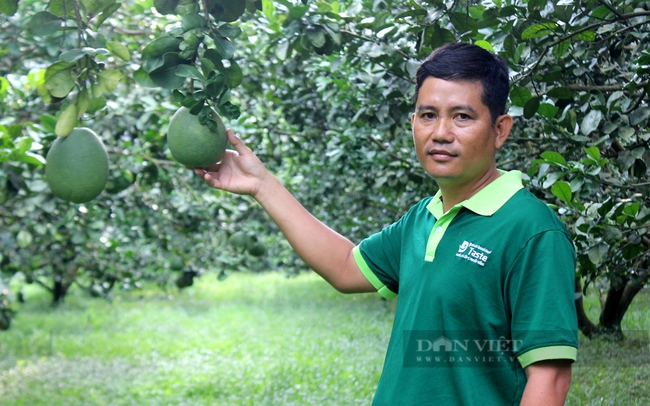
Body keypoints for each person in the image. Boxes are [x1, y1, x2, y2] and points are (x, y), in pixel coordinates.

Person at [192, 42, 578, 405]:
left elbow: (550, 377)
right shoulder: (423, 218)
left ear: (500, 129)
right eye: (428, 115)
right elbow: (345, 267)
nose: (440, 133)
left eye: (462, 116)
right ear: (414, 123)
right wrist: (262, 184)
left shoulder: (531, 231)